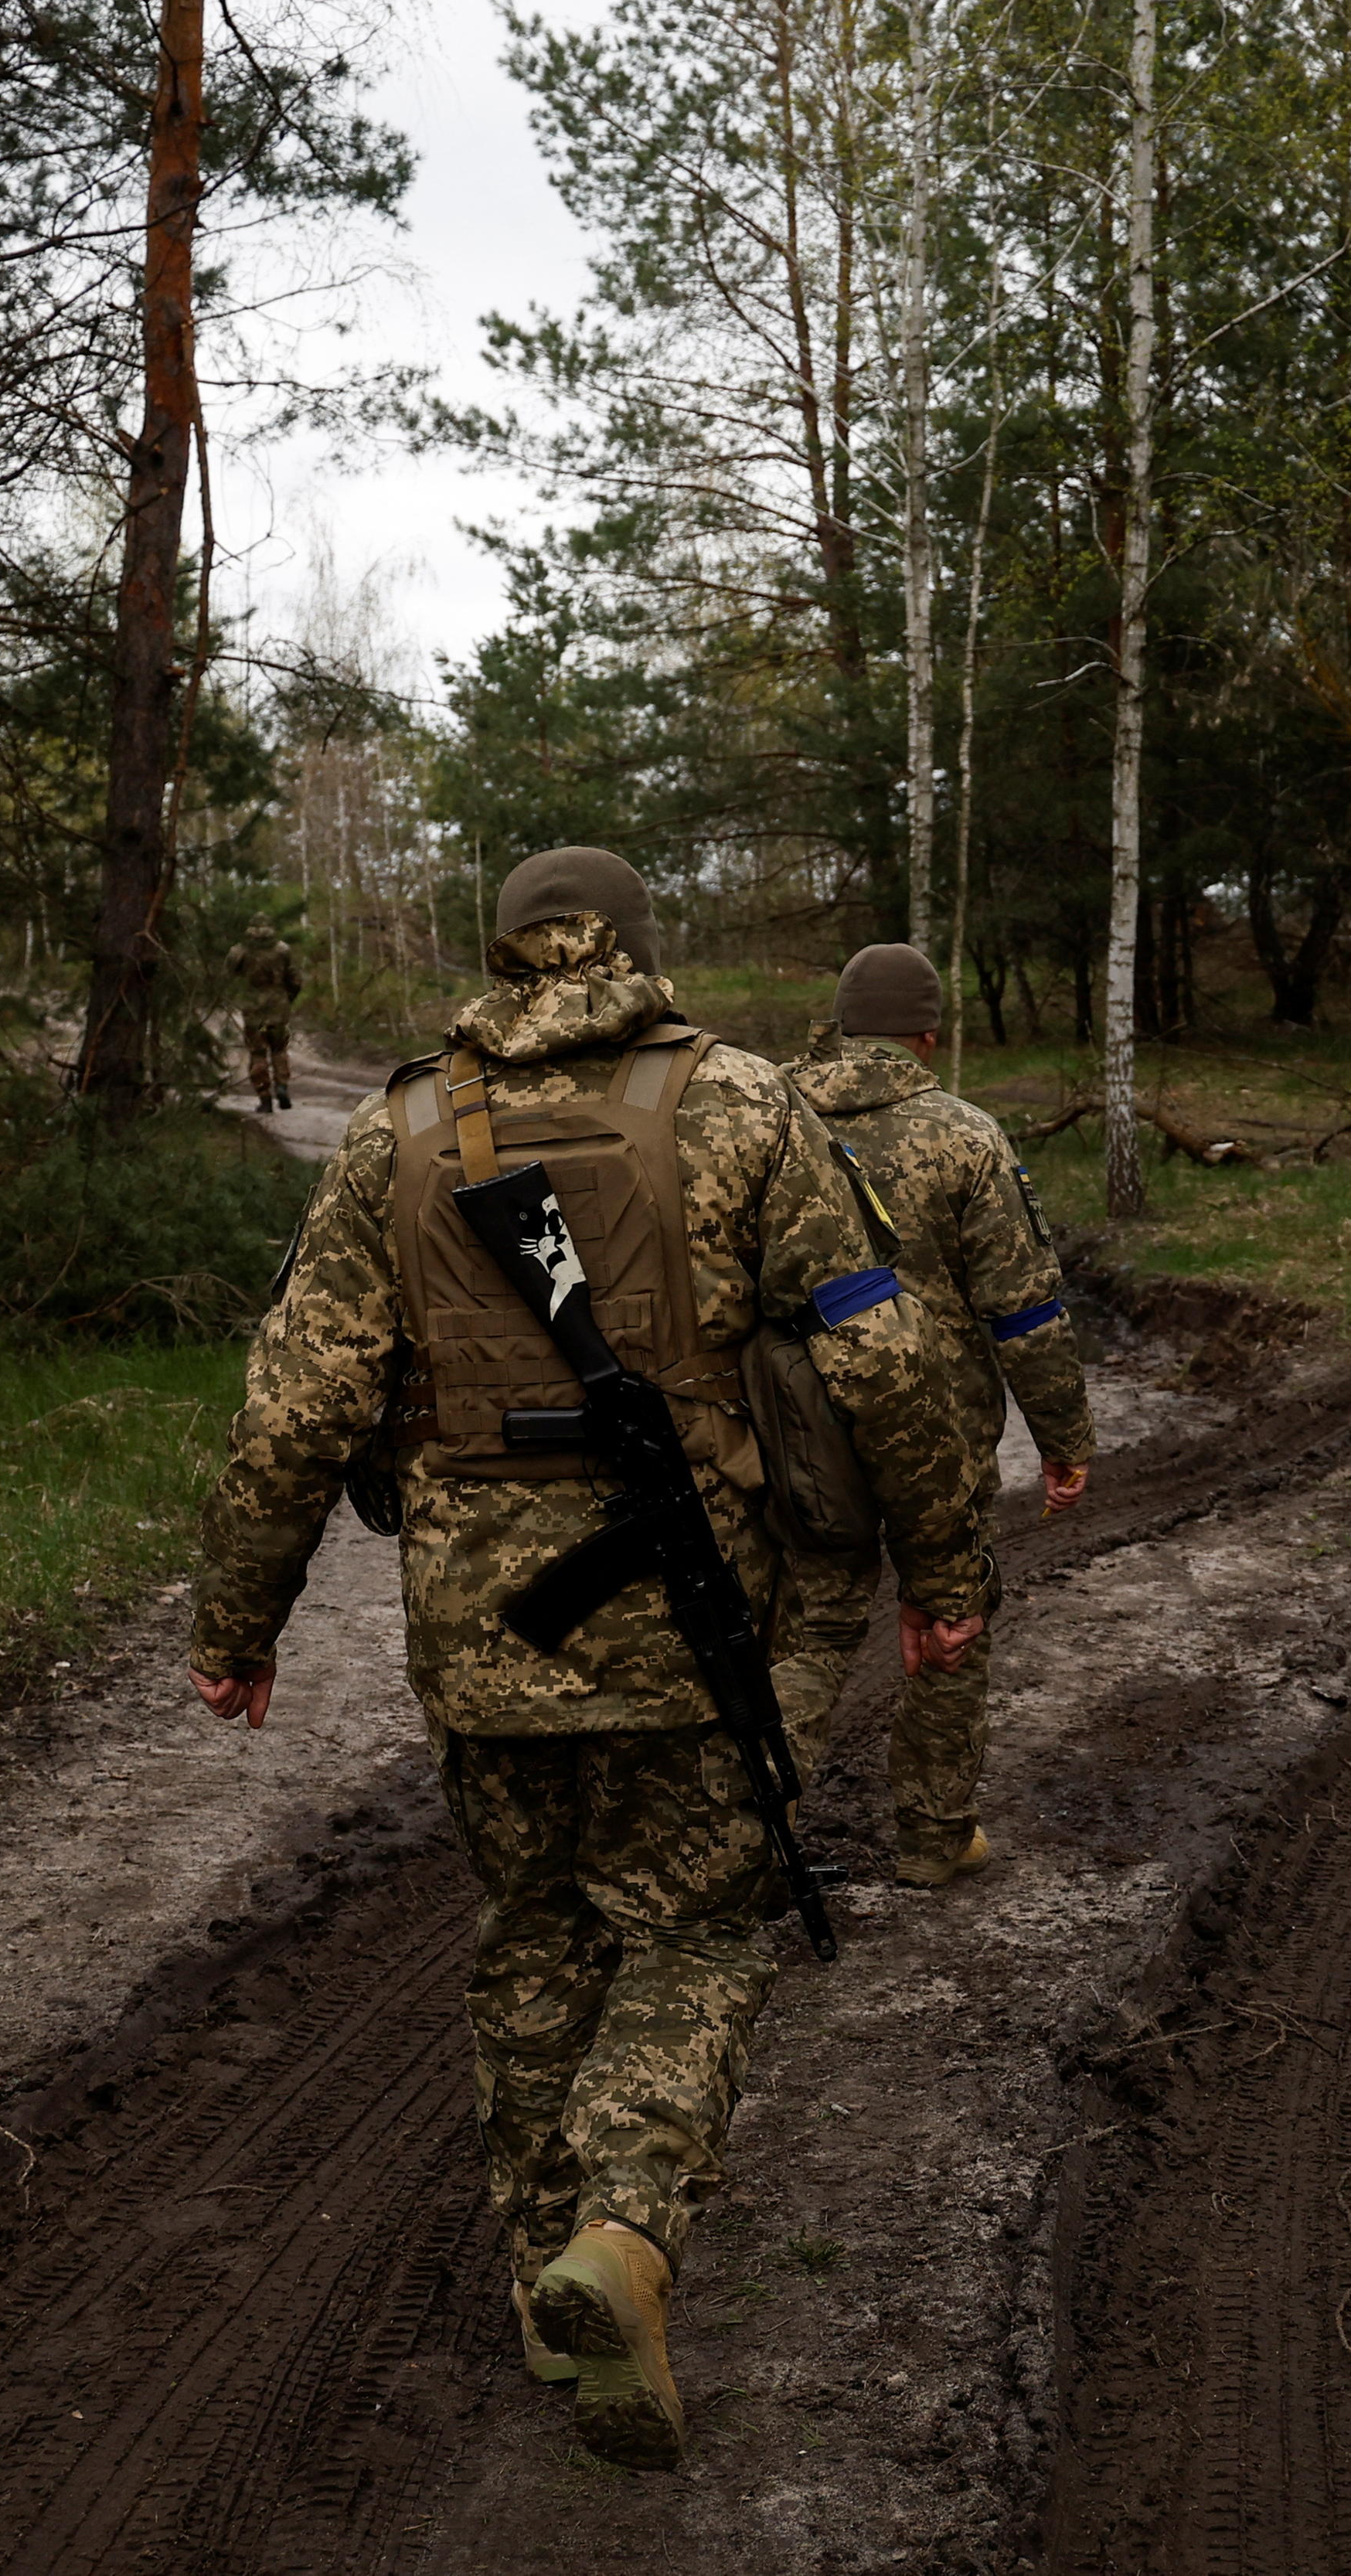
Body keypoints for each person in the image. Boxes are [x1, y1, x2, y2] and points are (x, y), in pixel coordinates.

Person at [183, 848, 995, 2470]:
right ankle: (621, 2236)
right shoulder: (746, 1107)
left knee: (529, 1930)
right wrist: (945, 1562)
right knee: (695, 1936)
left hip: (482, 1636)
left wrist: (237, 1623)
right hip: (693, 1633)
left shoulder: (392, 1132)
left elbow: (293, 1412)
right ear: (636, 948)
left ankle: (539, 2279)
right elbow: (887, 1350)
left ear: (502, 948)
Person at [768, 942, 1092, 1887]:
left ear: (837, 1025)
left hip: (798, 1427)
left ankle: (751, 1843)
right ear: (928, 1035)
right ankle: (934, 1833)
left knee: (807, 1631)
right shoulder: (963, 1135)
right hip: (937, 1435)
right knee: (950, 1608)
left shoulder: (765, 1119)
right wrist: (1063, 1439)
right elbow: (1025, 1310)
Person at [227, 917, 302, 1110]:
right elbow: (294, 978)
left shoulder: (239, 951)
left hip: (253, 1009)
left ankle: (265, 1097)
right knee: (279, 1049)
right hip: (278, 1006)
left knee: (258, 1052)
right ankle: (283, 1087)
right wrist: (288, 999)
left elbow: (228, 975)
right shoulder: (282, 950)